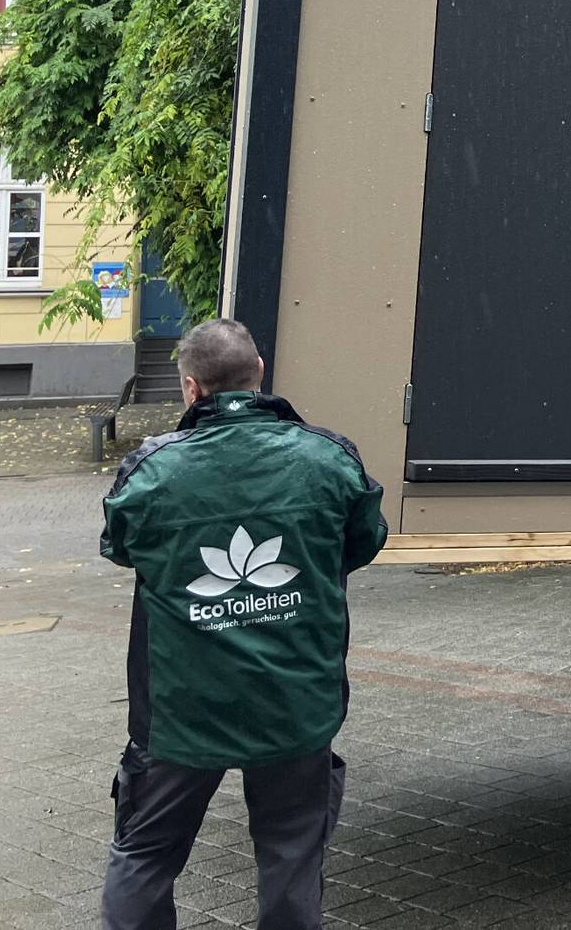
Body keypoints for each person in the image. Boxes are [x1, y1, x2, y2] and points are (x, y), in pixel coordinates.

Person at [98, 318, 387, 929]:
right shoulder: (328, 458)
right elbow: (361, 544)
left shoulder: (151, 471)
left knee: (145, 856)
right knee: (291, 859)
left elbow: (121, 547)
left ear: (190, 389)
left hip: (181, 712)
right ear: (258, 376)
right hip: (295, 703)